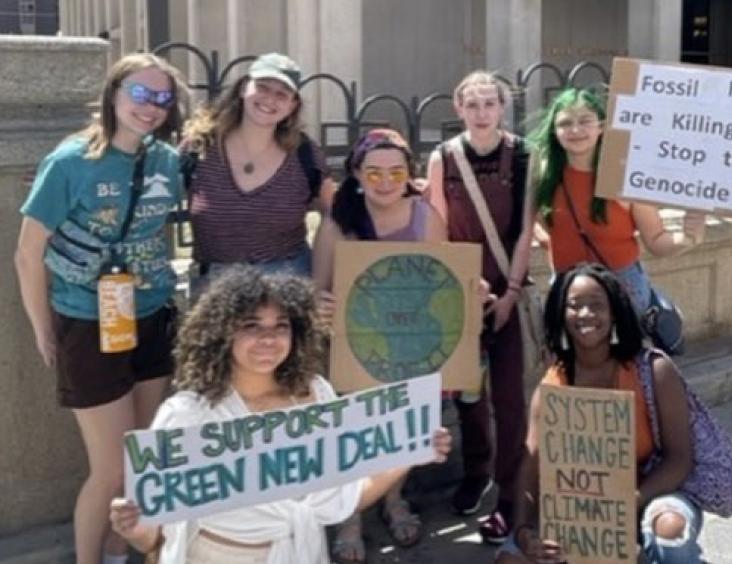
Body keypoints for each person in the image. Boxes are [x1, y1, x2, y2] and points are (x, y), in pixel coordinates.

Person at [108, 268, 452, 563]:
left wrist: (410, 450)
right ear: (222, 333)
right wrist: (136, 529)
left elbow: (345, 497)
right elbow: (155, 540)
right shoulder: (187, 414)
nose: (268, 338)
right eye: (251, 325)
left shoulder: (316, 395)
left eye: (281, 325)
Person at [14, 53, 185, 564]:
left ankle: (118, 553)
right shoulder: (70, 162)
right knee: (110, 467)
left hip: (151, 313)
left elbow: (161, 231)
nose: (150, 107)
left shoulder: (167, 160)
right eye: (139, 93)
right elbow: (28, 254)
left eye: (162, 98)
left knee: (142, 461)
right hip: (88, 322)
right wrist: (44, 329)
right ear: (113, 94)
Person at [499, 262, 702, 564]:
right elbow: (530, 467)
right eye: (574, 306)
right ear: (561, 314)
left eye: (597, 305)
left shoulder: (653, 371)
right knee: (510, 560)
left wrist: (628, 503)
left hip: (652, 492)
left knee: (669, 529)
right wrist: (524, 532)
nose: (585, 314)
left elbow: (680, 459)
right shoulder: (553, 383)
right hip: (582, 507)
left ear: (615, 313)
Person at [312, 128, 446, 562]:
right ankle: (349, 518)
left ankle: (392, 500)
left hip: (410, 342)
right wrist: (323, 305)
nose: (385, 181)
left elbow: (444, 282)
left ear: (409, 174)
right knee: (354, 426)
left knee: (401, 427)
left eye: (396, 171)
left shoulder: (426, 217)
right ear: (356, 174)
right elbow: (316, 291)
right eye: (374, 172)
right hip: (354, 344)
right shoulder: (338, 223)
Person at [425, 70, 534, 544]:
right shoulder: (443, 157)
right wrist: (462, 289)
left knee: (509, 398)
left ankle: (510, 494)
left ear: (502, 108)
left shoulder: (525, 154)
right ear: (459, 108)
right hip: (463, 291)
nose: (482, 112)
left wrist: (510, 292)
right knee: (467, 393)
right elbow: (438, 228)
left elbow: (527, 227)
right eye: (473, 104)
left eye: (490, 103)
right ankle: (476, 473)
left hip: (507, 288)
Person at [527, 87, 706, 315]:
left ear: (601, 127)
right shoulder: (543, 178)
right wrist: (549, 240)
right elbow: (533, 222)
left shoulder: (625, 176)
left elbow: (656, 241)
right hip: (568, 292)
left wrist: (689, 238)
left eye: (585, 121)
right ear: (554, 130)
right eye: (565, 123)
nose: (575, 130)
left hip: (623, 291)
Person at [181, 52, 335, 290]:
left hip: (288, 281)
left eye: (282, 94)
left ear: (292, 105)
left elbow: (332, 214)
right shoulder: (199, 147)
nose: (270, 99)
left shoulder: (305, 154)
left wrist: (319, 284)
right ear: (243, 88)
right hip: (216, 285)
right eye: (262, 87)